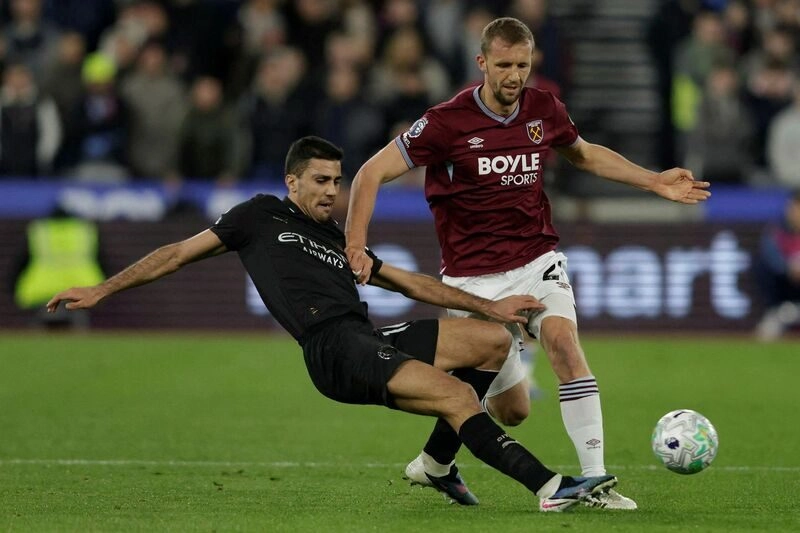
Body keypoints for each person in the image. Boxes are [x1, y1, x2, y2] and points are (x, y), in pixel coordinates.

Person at [46, 136, 617, 512]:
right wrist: (101, 288)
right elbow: (174, 253)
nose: (331, 190)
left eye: (338, 181)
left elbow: (410, 283)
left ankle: (437, 466)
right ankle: (549, 487)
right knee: (451, 394)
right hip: (331, 349)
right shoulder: (259, 215)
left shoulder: (342, 240)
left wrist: (493, 308)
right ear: (293, 182)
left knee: (492, 344)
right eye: (320, 180)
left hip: (364, 335)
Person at [344, 17, 712, 511]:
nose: (515, 75)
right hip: (472, 280)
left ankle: (596, 480)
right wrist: (356, 245)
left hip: (537, 260)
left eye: (523, 64)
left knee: (562, 342)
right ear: (482, 64)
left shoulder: (543, 108)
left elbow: (582, 154)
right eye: (504, 65)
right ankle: (434, 463)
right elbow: (370, 173)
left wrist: (653, 182)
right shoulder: (444, 123)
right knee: (511, 411)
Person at [753, 189, 800, 341]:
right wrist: (789, 267)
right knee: (761, 265)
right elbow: (771, 258)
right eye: (796, 207)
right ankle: (778, 311)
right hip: (784, 294)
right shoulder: (776, 231)